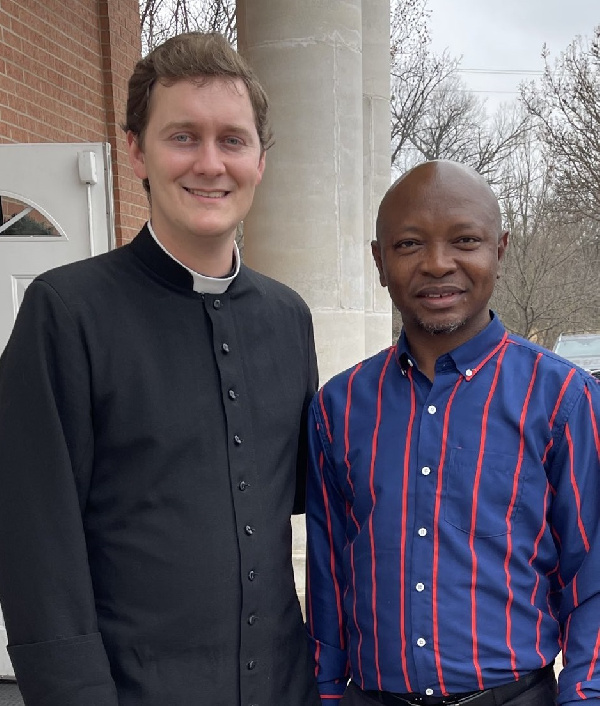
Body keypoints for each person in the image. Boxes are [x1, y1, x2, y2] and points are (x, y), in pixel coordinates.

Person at [0, 32, 321, 706]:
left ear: (261, 159)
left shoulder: (287, 318)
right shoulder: (65, 314)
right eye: (184, 137)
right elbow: (36, 551)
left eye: (232, 140)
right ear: (136, 150)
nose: (210, 163)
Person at [305, 160, 600, 706]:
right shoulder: (338, 408)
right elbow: (329, 575)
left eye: (465, 240)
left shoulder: (563, 398)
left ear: (500, 250)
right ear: (379, 260)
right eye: (410, 244)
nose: (438, 264)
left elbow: (593, 575)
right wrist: (324, 694)